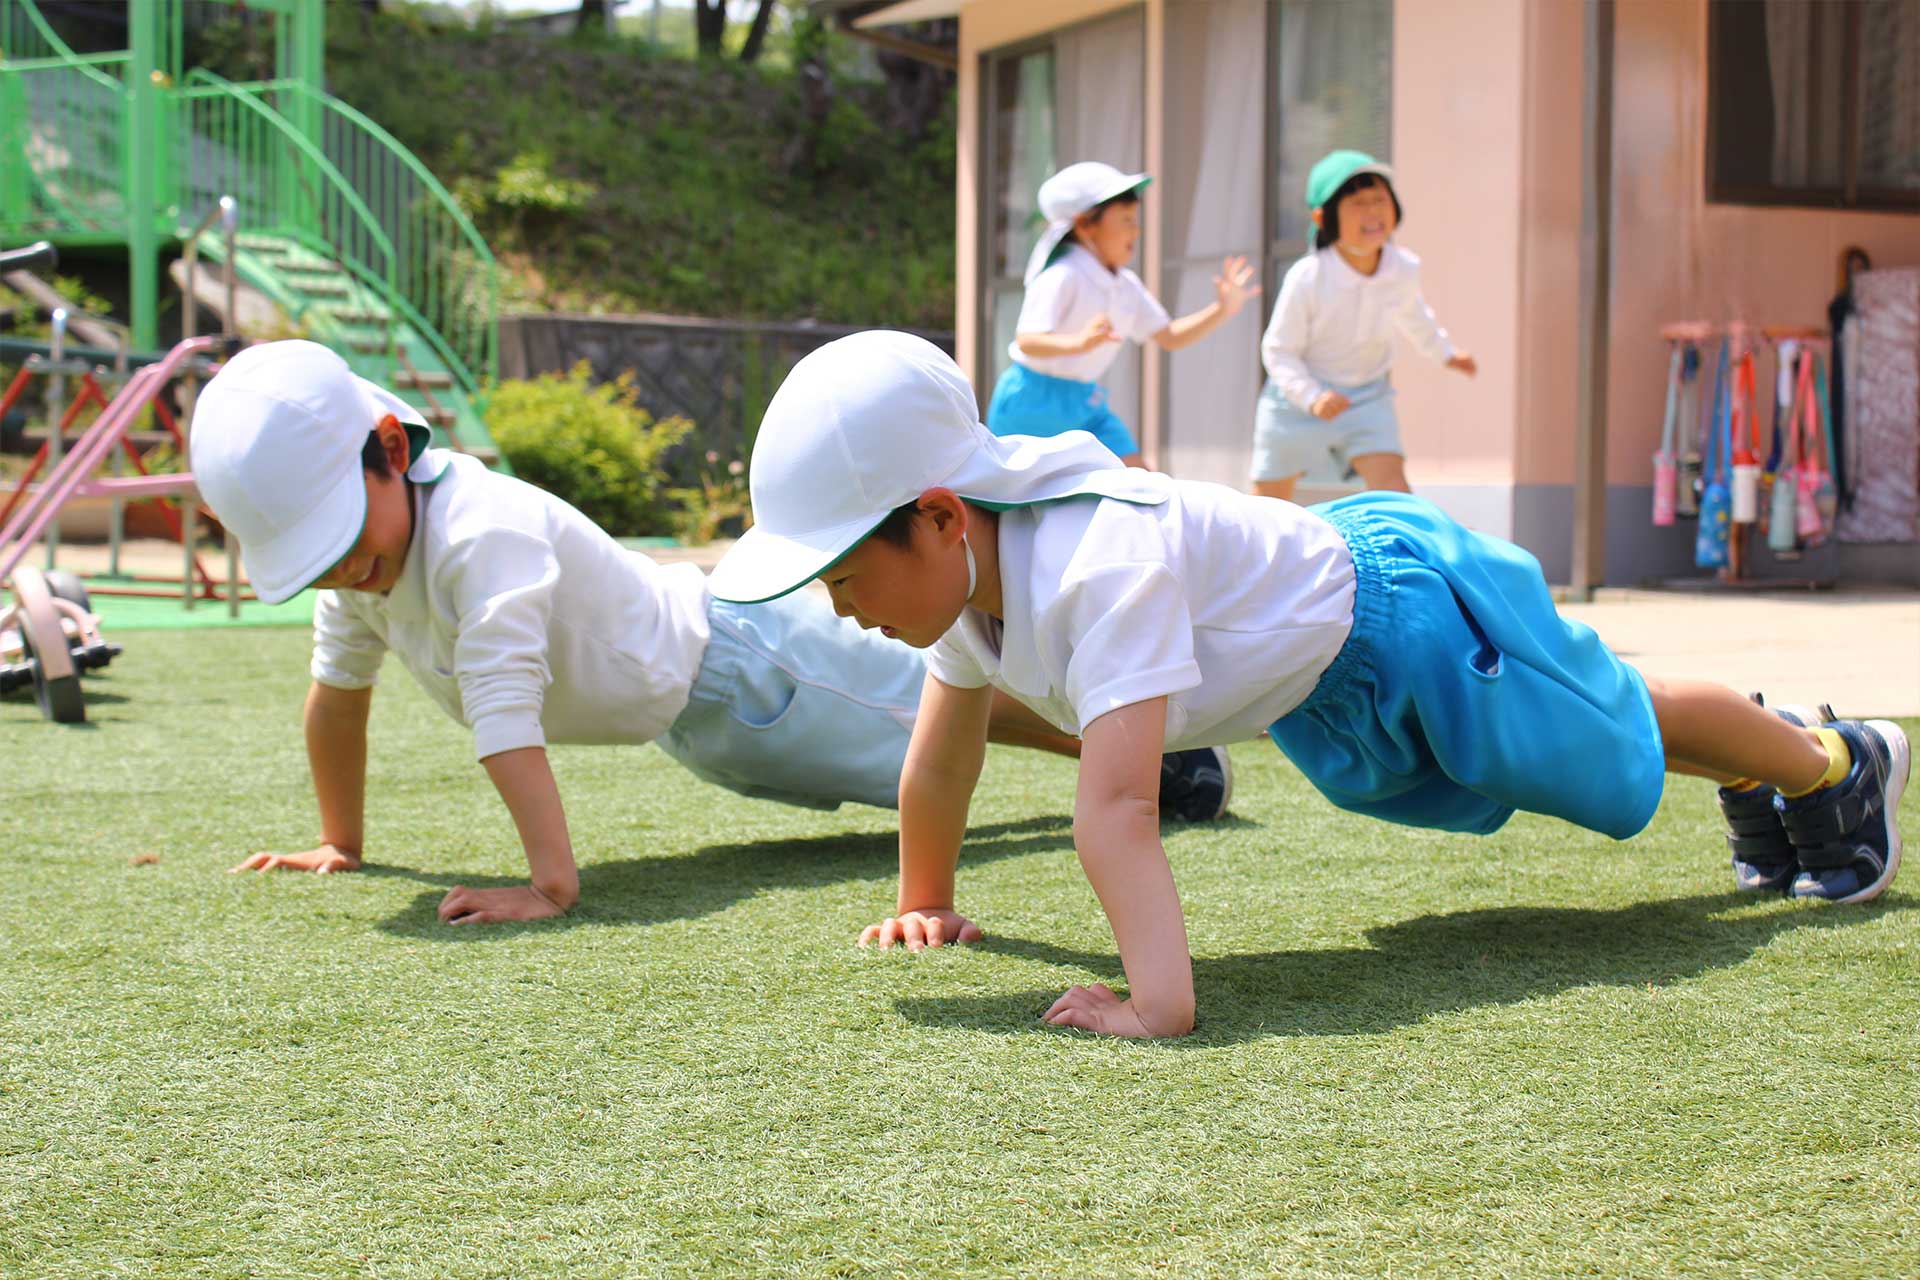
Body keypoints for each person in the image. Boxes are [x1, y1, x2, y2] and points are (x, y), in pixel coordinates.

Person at [706, 330, 1908, 1039]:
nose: (834, 603)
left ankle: (1833, 761)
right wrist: (927, 893)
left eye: (844, 570)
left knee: (1606, 735)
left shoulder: (1091, 566)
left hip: (1409, 621)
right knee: (1588, 746)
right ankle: (1773, 764)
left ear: (938, 516)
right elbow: (943, 752)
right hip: (1331, 683)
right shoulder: (971, 586)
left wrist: (1158, 1004)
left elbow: (1120, 805)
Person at [189, 342, 1233, 926]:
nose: (341, 572)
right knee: (937, 714)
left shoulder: (478, 532)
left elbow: (505, 707)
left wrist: (550, 885)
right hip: (703, 721)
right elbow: (336, 690)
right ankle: (1117, 736)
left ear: (389, 447)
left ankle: (1161, 753)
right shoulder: (366, 568)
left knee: (940, 714)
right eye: (314, 559)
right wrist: (342, 840)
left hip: (749, 675)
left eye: (338, 538)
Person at [985, 161, 1259, 468]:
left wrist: (1222, 310)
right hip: (1030, 402)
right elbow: (1028, 341)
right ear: (1086, 225)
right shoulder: (1061, 275)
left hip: (1086, 403)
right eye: (1126, 219)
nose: (1136, 230)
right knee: (1014, 503)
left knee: (1143, 484)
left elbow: (1169, 336)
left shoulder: (1126, 285)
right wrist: (1081, 342)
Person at [1253, 150, 1476, 501]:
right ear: (1323, 217)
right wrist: (1312, 397)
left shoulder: (1401, 269)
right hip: (1296, 401)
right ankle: (1247, 556)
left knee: (1395, 491)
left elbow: (1415, 316)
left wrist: (1446, 353)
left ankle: (1407, 555)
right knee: (1268, 503)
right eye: (1357, 203)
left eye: (1379, 200)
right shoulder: (1309, 277)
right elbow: (1278, 350)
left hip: (1368, 396)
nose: (1372, 211)